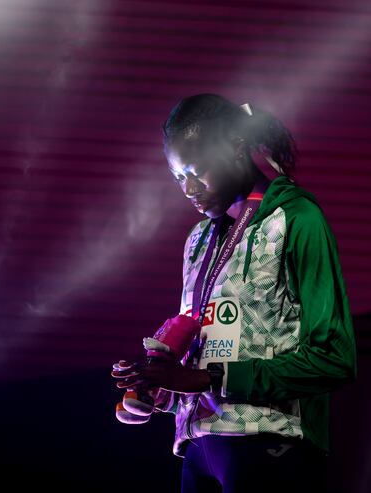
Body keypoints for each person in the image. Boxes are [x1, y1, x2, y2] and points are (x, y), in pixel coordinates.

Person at [111, 93, 357, 492]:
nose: (188, 188)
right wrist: (163, 389)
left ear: (237, 147)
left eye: (197, 170)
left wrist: (212, 378)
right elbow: (210, 358)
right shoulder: (198, 240)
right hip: (198, 452)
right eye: (177, 177)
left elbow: (334, 358)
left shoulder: (296, 218)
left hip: (271, 442)